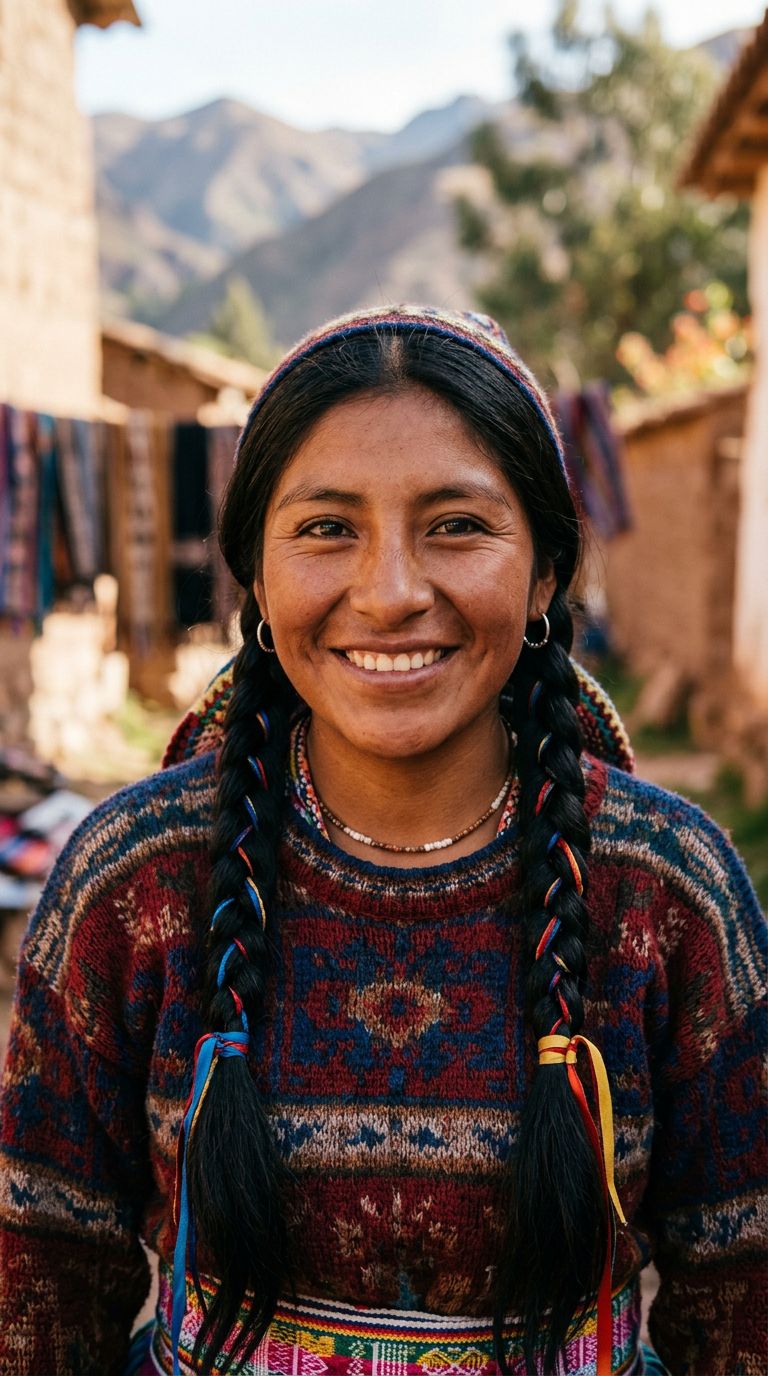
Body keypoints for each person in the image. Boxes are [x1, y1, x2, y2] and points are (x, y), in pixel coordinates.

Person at [0, 305, 765, 1376]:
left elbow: (743, 1296)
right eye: (326, 527)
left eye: (457, 523)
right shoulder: (134, 881)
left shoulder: (664, 893)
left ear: (546, 569)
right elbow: (38, 1288)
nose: (394, 592)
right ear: (255, 580)